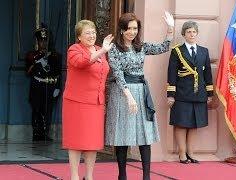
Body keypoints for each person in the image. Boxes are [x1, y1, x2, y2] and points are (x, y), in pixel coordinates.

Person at [105, 12, 174, 180]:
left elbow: (163, 47)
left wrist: (170, 28)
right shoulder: (114, 48)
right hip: (122, 92)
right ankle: (122, 175)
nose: (132, 32)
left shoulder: (141, 46)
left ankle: (146, 177)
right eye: (128, 28)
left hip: (141, 91)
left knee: (144, 134)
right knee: (122, 135)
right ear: (121, 30)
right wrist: (129, 96)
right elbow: (118, 74)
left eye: (135, 28)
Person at [62, 20, 113, 180]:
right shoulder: (74, 49)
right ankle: (75, 176)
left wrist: (102, 50)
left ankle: (89, 176)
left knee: (93, 142)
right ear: (79, 36)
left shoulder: (99, 50)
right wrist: (102, 50)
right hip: (77, 102)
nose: (92, 35)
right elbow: (82, 62)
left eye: (93, 32)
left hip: (96, 103)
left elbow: (104, 71)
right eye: (87, 33)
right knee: (76, 140)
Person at [166, 21, 214, 164]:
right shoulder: (177, 51)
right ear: (184, 34)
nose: (191, 34)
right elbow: (171, 74)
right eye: (188, 32)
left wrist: (210, 93)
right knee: (181, 124)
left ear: (197, 33)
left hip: (199, 94)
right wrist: (171, 95)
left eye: (194, 32)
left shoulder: (204, 51)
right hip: (181, 94)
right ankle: (182, 154)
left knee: (194, 124)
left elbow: (208, 74)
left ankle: (191, 153)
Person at [25, 25, 61, 141]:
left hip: (49, 86)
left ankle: (45, 133)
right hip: (37, 85)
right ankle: (36, 132)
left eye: (45, 41)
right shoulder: (32, 55)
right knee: (36, 109)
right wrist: (37, 61)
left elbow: (57, 73)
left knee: (47, 110)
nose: (43, 43)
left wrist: (57, 88)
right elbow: (28, 72)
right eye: (41, 40)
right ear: (38, 41)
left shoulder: (54, 56)